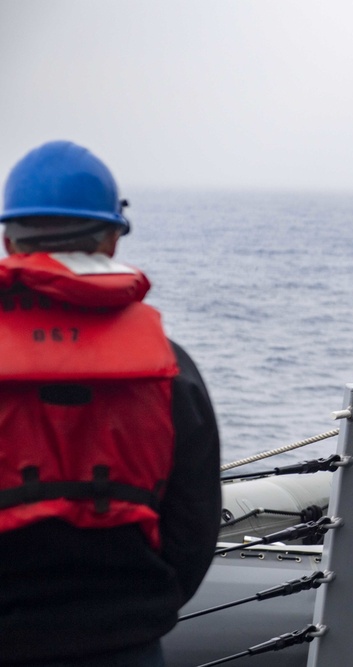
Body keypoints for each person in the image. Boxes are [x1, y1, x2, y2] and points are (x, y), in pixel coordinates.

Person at [0, 141, 221, 666]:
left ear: (9, 238)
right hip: (125, 644)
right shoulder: (169, 368)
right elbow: (194, 527)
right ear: (111, 240)